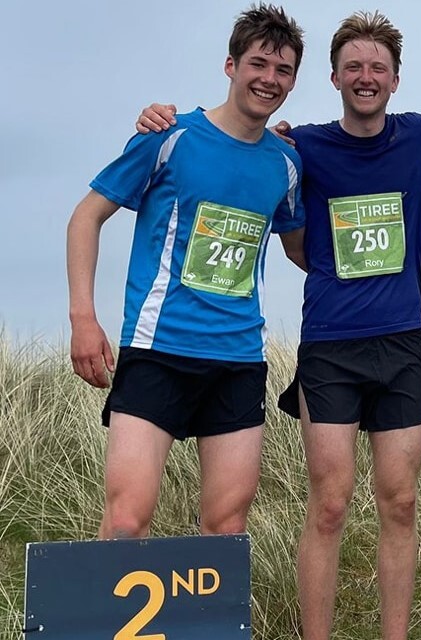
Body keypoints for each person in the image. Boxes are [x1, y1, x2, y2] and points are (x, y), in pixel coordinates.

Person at [135, 12, 421, 640]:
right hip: (329, 347)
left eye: (378, 67)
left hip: (403, 343)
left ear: (396, 79)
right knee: (328, 506)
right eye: (353, 67)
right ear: (333, 77)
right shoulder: (303, 146)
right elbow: (293, 236)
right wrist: (163, 115)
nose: (366, 77)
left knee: (400, 504)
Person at [67, 4, 306, 540]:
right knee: (128, 517)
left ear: (293, 80)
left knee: (226, 525)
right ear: (231, 65)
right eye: (258, 64)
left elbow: (302, 251)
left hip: (239, 359)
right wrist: (83, 317)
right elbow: (86, 217)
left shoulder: (286, 163)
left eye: (283, 70)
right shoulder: (170, 135)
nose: (269, 79)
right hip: (159, 349)